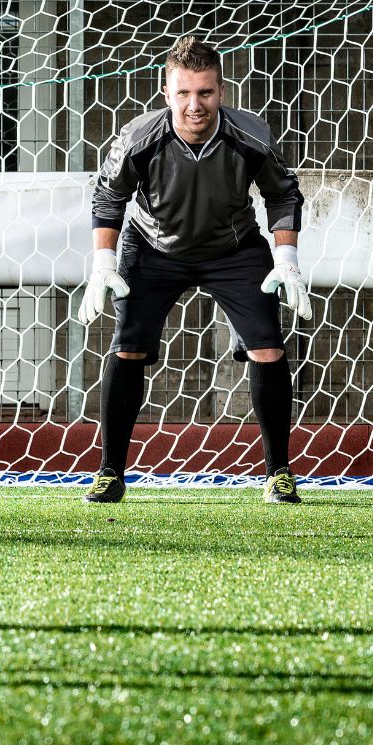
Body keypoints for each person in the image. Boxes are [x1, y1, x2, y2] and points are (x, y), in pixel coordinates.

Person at [77, 35, 311, 505]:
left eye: (204, 92)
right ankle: (109, 473)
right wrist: (103, 263)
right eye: (183, 93)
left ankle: (279, 474)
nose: (194, 104)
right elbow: (108, 196)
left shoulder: (252, 135)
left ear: (221, 92)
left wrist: (286, 260)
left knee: (268, 348)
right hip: (152, 248)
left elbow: (283, 194)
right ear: (167, 94)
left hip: (234, 250)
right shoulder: (139, 138)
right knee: (128, 350)